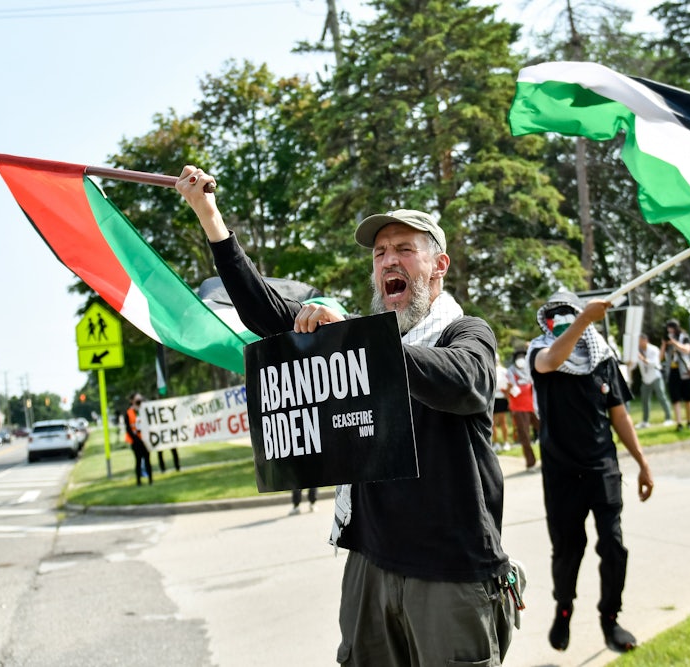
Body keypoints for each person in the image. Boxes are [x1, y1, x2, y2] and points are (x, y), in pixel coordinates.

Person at [177, 166, 517, 666]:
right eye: (380, 253)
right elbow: (267, 313)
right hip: (370, 564)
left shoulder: (465, 332)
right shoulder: (361, 340)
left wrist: (361, 337)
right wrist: (211, 218)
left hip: (451, 570)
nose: (387, 261)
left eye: (404, 249)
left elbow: (466, 381)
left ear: (438, 265)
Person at [528, 290, 654, 654]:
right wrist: (583, 319)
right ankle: (564, 608)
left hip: (602, 469)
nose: (563, 319)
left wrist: (643, 464)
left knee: (613, 547)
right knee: (568, 550)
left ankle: (610, 620)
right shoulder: (540, 353)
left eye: (571, 313)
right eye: (556, 315)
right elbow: (552, 360)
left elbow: (620, 415)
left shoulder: (603, 359)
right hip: (561, 473)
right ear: (546, 320)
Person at [504, 348, 538, 469]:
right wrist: (510, 388)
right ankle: (531, 463)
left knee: (546, 432)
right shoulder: (509, 373)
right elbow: (506, 393)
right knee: (525, 437)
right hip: (519, 409)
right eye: (518, 357)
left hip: (534, 407)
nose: (521, 360)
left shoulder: (530, 370)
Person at [661, 319, 690, 431]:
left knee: (688, 398)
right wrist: (664, 344)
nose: (670, 330)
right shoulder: (667, 340)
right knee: (675, 398)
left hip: (684, 370)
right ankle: (679, 423)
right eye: (668, 329)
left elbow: (687, 350)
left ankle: (689, 421)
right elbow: (660, 358)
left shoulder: (683, 337)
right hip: (673, 371)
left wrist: (674, 342)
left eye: (671, 328)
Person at [636, 333, 674, 428]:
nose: (639, 343)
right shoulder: (637, 351)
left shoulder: (653, 349)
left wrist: (643, 359)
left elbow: (654, 363)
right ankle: (645, 421)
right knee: (645, 400)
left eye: (641, 341)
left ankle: (669, 418)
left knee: (661, 397)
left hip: (655, 376)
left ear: (645, 340)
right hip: (645, 379)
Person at [124, 393, 153, 486]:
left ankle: (150, 480)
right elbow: (128, 428)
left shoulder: (144, 410)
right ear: (132, 401)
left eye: (140, 399)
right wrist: (136, 439)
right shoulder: (128, 412)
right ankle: (139, 481)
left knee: (148, 460)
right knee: (138, 461)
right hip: (135, 441)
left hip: (145, 439)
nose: (139, 401)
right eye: (137, 399)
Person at [492, 354, 513, 452]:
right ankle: (495, 443)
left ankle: (506, 442)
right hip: (491, 398)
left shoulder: (503, 370)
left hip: (501, 398)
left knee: (503, 421)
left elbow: (510, 383)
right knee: (492, 423)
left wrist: (507, 394)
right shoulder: (488, 367)